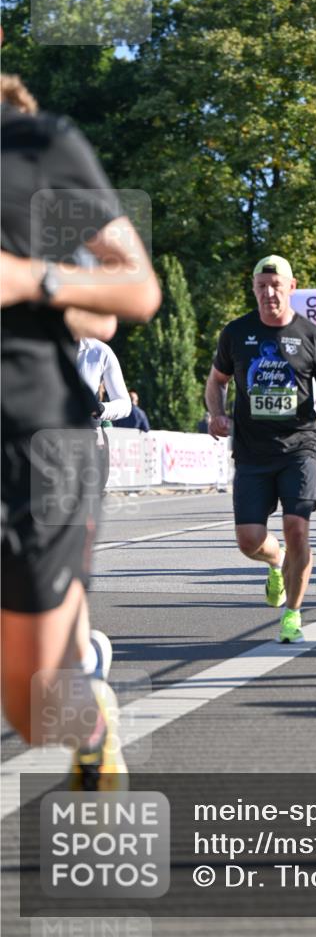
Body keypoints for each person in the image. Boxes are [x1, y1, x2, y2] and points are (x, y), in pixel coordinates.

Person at [1, 73, 161, 789]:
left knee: (36, 713)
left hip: (34, 439)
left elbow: (136, 289)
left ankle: (88, 712)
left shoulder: (42, 146)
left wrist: (33, 281)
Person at [205, 254, 316, 643]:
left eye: (276, 286)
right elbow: (217, 381)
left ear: (292, 287)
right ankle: (276, 561)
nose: (269, 293)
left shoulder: (311, 335)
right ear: (254, 289)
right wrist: (216, 414)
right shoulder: (236, 333)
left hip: (299, 445)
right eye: (261, 287)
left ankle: (293, 615)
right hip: (251, 449)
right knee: (249, 540)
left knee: (297, 527)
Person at [77, 337, 132, 486]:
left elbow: (125, 405)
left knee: (85, 506)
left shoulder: (100, 351)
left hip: (88, 439)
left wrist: (101, 409)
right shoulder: (35, 342)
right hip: (45, 441)